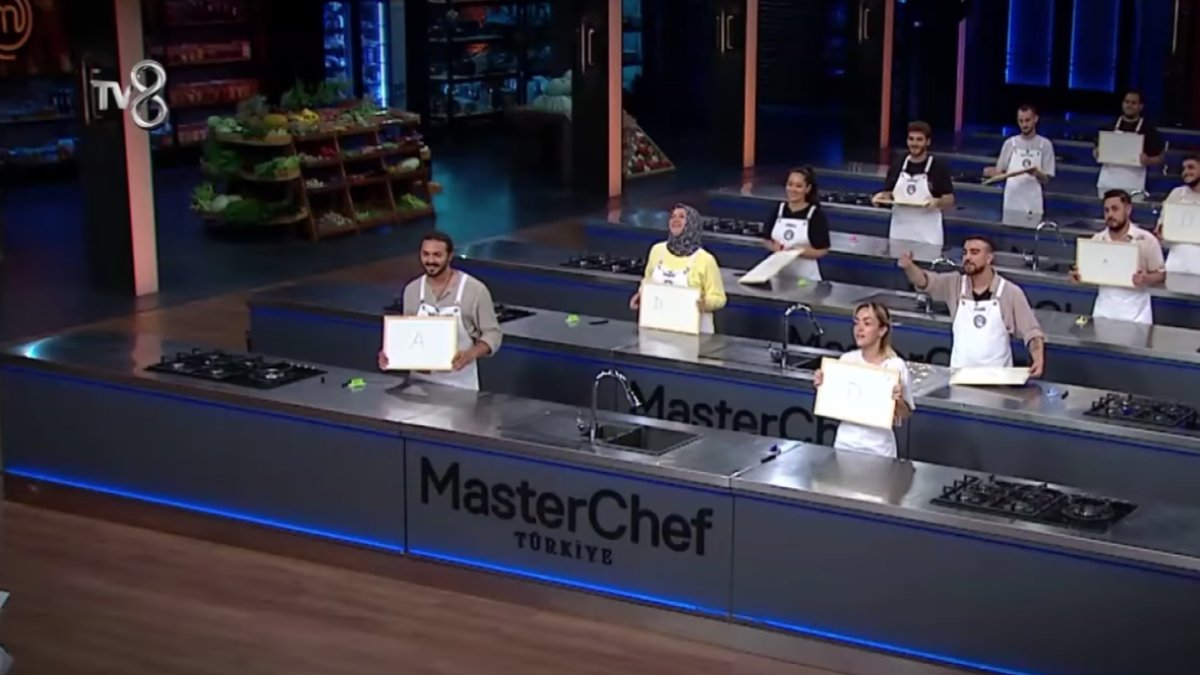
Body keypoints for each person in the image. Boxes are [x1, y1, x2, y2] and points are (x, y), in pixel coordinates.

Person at [898, 236, 1046, 375]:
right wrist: (909, 267)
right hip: (959, 377)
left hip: (998, 380)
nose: (967, 257)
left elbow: (1032, 332)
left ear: (989, 258)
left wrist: (1038, 359)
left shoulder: (1010, 292)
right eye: (965, 253)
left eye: (974, 252)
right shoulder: (954, 284)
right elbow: (925, 281)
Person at [377, 231, 502, 390]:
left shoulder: (475, 290)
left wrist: (470, 354)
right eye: (426, 254)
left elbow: (493, 334)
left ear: (450, 256)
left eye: (437, 255)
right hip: (419, 384)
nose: (430, 261)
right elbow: (408, 335)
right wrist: (390, 354)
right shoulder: (412, 290)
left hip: (460, 385)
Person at [813, 302, 914, 458]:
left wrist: (898, 400)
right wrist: (823, 385)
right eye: (856, 323)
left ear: (882, 330)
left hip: (879, 449)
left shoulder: (895, 366)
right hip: (845, 444)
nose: (859, 329)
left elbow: (905, 413)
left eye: (867, 323)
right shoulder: (846, 360)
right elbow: (833, 402)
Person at [1071, 189, 1165, 325]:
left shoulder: (1147, 240)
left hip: (1137, 315)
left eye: (1115, 209)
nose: (1110, 214)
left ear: (1128, 210)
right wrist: (1077, 277)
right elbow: (1084, 275)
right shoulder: (1097, 241)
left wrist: (1145, 278)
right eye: (1106, 210)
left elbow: (1161, 275)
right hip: (1103, 311)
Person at [629, 203, 727, 334]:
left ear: (692, 224)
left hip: (695, 332)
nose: (675, 220)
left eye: (682, 217)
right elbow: (648, 280)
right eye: (673, 216)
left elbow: (719, 298)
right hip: (658, 327)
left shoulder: (705, 260)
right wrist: (641, 295)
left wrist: (704, 304)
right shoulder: (657, 250)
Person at [872, 120, 955, 247]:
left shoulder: (938, 166)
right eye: (911, 139)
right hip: (899, 232)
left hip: (928, 236)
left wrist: (937, 202)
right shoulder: (897, 164)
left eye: (919, 139)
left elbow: (950, 199)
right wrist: (880, 198)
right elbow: (888, 193)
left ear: (928, 142)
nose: (914, 143)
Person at [982, 104, 1056, 217]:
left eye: (1027, 120)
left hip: (1033, 201)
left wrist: (1037, 173)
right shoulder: (1009, 144)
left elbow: (1046, 179)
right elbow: (999, 172)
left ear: (1035, 119)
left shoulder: (1045, 145)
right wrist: (989, 172)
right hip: (1012, 201)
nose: (1024, 124)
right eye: (1021, 121)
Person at [759, 166, 831, 282]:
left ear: (807, 189)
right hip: (778, 277)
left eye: (798, 186)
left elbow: (823, 250)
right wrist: (774, 247)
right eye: (790, 184)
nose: (793, 189)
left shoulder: (815, 215)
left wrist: (802, 252)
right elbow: (766, 239)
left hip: (806, 279)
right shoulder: (778, 209)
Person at [1094, 90, 1166, 198]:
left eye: (1133, 103)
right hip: (1108, 180)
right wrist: (1097, 153)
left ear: (1140, 106)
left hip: (1134, 181)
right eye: (1127, 102)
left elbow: (1161, 157)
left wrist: (1148, 160)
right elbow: (1096, 150)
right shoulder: (1109, 126)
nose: (1129, 105)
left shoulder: (1149, 130)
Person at [1156, 154, 1200, 274]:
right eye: (1183, 169)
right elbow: (1162, 227)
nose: (1186, 172)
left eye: (1191, 167)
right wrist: (1161, 232)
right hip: (1177, 260)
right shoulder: (1176, 194)